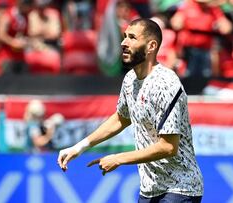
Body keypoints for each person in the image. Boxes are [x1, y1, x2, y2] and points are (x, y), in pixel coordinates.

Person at [57, 18, 203, 202]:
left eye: (132, 38)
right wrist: (80, 147)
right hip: (150, 190)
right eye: (125, 36)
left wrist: (119, 158)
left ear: (151, 46)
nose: (123, 43)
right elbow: (121, 118)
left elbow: (168, 147)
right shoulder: (130, 80)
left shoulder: (166, 84)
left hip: (180, 189)